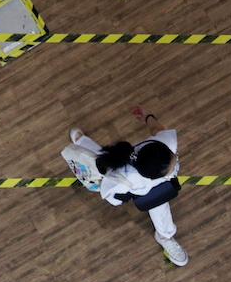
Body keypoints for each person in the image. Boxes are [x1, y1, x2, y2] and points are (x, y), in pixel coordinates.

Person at [69, 106, 188, 266]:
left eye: (173, 157)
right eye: (172, 166)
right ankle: (82, 143)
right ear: (154, 176)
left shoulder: (167, 144)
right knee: (103, 164)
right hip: (142, 188)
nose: (176, 159)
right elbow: (111, 195)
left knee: (109, 159)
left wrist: (147, 116)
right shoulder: (124, 178)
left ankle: (165, 237)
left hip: (137, 177)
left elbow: (157, 128)